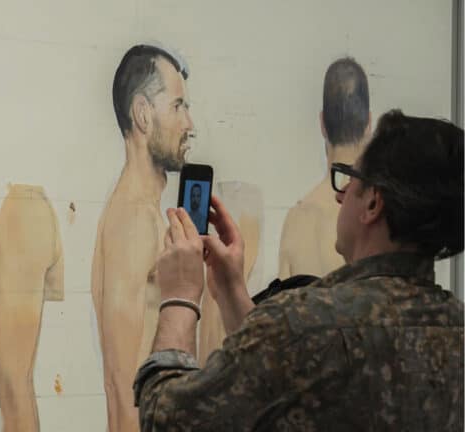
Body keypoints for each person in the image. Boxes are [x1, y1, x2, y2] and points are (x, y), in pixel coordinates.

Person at [134, 110, 464, 430]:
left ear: (373, 203)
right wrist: (232, 290)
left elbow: (167, 420)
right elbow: (276, 378)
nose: (340, 196)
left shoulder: (305, 323)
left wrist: (180, 298)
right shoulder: (456, 327)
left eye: (350, 178)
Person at [91, 44, 194, 431]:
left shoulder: (144, 214)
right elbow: (126, 389)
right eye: (178, 107)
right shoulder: (134, 221)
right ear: (143, 114)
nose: (189, 123)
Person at [279, 57, 372, 278]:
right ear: (369, 123)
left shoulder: (297, 219)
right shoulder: (377, 217)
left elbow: (282, 296)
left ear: (322, 124)